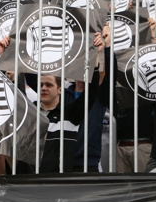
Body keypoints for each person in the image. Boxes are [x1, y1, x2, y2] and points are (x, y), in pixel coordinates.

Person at [36, 24, 117, 173]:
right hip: (62, 163)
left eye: (85, 63)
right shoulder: (61, 94)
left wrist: (107, 46)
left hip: (88, 163)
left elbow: (110, 76)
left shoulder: (98, 96)